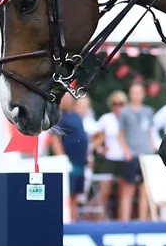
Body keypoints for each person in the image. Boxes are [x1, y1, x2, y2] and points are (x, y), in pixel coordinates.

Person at [92, 90, 139, 220]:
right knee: (104, 191)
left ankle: (124, 222)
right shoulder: (106, 119)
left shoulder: (130, 117)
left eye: (121, 103)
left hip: (126, 158)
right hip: (110, 158)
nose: (118, 106)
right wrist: (100, 149)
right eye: (115, 103)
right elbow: (95, 137)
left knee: (125, 193)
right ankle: (98, 221)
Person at [45, 90, 92, 205]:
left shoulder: (76, 115)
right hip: (70, 163)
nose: (67, 99)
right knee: (67, 194)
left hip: (80, 161)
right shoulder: (58, 116)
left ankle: (74, 221)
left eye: (69, 97)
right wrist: (62, 159)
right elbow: (54, 139)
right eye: (64, 96)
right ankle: (68, 220)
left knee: (75, 195)